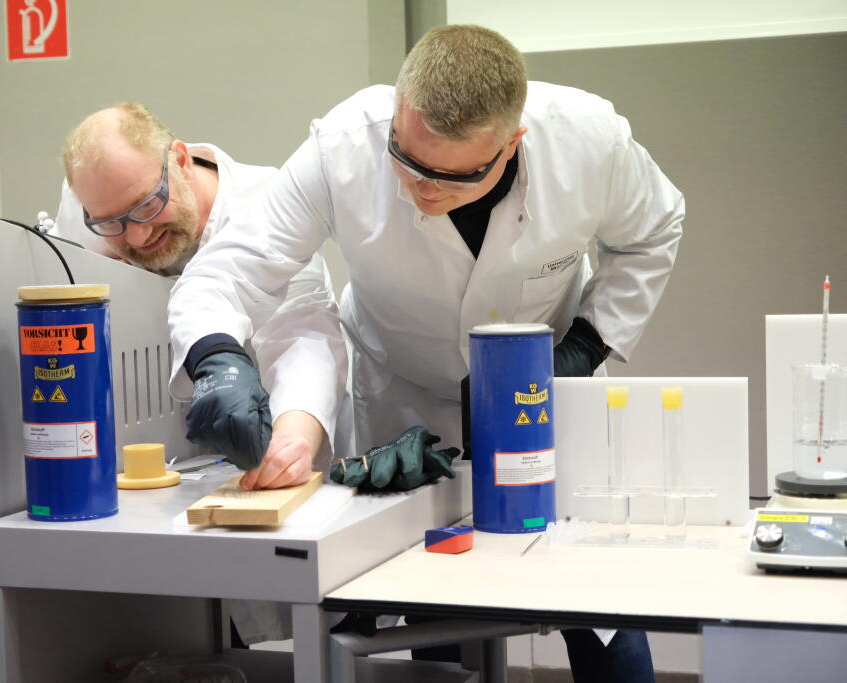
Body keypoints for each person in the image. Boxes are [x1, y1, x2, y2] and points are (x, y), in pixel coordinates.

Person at [166, 25, 683, 681]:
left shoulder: (588, 142)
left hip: (544, 384)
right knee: (434, 602)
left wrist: (583, 346)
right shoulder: (343, 145)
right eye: (405, 160)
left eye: (450, 174)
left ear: (511, 144)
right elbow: (229, 268)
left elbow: (654, 230)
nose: (421, 188)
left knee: (596, 596)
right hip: (404, 394)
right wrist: (217, 357)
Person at [53, 103, 348, 491]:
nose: (138, 236)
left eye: (146, 205)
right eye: (112, 223)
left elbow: (302, 334)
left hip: (262, 440)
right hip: (148, 460)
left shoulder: (265, 205)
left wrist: (292, 441)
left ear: (180, 160)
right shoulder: (94, 200)